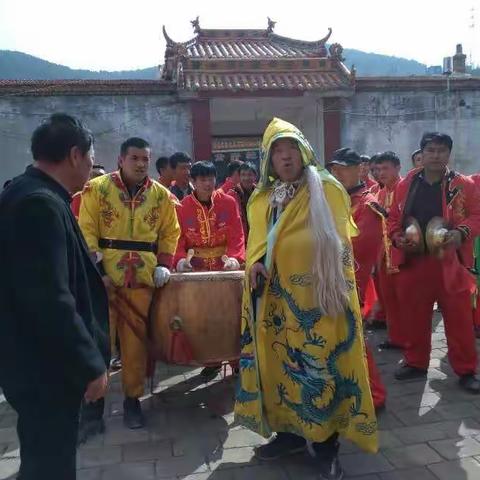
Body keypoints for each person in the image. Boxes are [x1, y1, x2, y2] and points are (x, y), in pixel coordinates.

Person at [235, 118, 377, 480]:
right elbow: (255, 245)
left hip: (320, 299)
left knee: (322, 365)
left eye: (291, 149)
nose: (285, 158)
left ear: (304, 151)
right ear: (268, 160)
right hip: (275, 302)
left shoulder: (325, 189)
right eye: (277, 152)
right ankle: (289, 434)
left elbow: (341, 243)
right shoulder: (262, 198)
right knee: (278, 365)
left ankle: (327, 446)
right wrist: (253, 264)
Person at [0, 113, 109, 480]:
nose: (93, 167)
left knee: (41, 455)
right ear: (75, 155)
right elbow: (49, 298)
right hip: (45, 368)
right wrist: (89, 364)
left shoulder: (28, 192)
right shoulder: (40, 204)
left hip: (32, 361)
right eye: (92, 157)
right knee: (51, 463)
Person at [79, 137, 180, 429]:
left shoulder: (161, 196)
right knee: (99, 341)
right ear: (121, 160)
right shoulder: (96, 190)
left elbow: (170, 232)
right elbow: (85, 230)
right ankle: (93, 404)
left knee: (135, 342)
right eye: (134, 158)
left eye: (145, 159)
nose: (140, 164)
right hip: (104, 277)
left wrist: (163, 263)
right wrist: (98, 271)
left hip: (142, 277)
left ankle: (132, 401)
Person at [388, 132, 480, 393]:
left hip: (451, 261)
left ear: (448, 154)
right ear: (422, 154)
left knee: (459, 318)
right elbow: (394, 219)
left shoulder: (463, 184)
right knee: (414, 315)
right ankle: (416, 362)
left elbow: (477, 215)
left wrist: (460, 232)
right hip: (415, 260)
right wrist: (397, 238)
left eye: (441, 150)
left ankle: (465, 370)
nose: (436, 155)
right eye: (431, 150)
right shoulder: (406, 184)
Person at [327, 147, 386, 411]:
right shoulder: (335, 199)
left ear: (359, 169)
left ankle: (374, 395)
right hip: (330, 279)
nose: (336, 173)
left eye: (343, 168)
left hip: (352, 281)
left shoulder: (368, 203)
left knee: (355, 339)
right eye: (334, 169)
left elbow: (360, 247)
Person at [174, 160, 245, 379]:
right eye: (202, 179)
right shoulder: (181, 206)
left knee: (231, 317)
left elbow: (237, 233)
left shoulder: (228, 202)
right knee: (203, 319)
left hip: (226, 270)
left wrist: (235, 257)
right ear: (193, 182)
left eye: (211, 178)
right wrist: (178, 260)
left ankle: (236, 360)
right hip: (197, 272)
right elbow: (176, 238)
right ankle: (211, 360)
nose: (208, 183)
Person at [373, 152, 406, 350]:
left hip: (402, 254)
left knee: (405, 299)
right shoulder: (380, 192)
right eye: (377, 169)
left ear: (397, 168)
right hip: (384, 255)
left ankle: (411, 340)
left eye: (385, 168)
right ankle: (396, 337)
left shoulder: (406, 189)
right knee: (388, 298)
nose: (380, 173)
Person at [227, 161, 257, 242]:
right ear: (239, 177)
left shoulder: (259, 194)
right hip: (240, 239)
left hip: (257, 237)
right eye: (243, 175)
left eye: (250, 175)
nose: (246, 178)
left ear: (255, 176)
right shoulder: (232, 195)